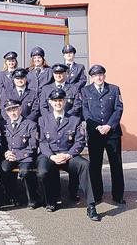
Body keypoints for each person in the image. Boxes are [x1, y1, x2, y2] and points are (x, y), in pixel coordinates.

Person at [36, 89, 101, 221]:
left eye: (60, 100)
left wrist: (69, 155)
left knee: (85, 165)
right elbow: (42, 142)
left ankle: (91, 205)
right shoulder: (43, 120)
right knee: (42, 172)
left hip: (68, 155)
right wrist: (51, 156)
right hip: (51, 155)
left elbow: (80, 141)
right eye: (55, 101)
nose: (58, 103)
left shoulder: (75, 120)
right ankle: (50, 201)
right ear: (50, 103)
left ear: (65, 101)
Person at [81, 65, 125, 205]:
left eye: (101, 75)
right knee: (95, 165)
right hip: (95, 133)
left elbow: (118, 109)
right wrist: (97, 127)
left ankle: (118, 196)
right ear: (91, 77)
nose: (98, 77)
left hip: (112, 133)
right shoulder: (85, 90)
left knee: (116, 165)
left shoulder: (114, 89)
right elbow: (85, 111)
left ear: (104, 76)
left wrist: (109, 126)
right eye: (95, 75)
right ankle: (97, 195)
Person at [0, 99, 40, 209]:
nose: (13, 113)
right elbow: (0, 143)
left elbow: (33, 146)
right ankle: (12, 195)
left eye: (15, 109)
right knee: (3, 169)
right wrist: (5, 153)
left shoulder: (31, 125)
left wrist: (17, 155)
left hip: (25, 156)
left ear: (20, 109)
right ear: (6, 112)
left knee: (25, 172)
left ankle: (32, 198)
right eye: (9, 110)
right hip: (9, 156)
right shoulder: (3, 125)